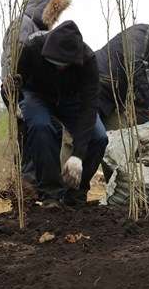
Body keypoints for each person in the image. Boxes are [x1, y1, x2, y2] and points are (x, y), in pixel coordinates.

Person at [16, 20, 108, 207]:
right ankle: (50, 194)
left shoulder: (88, 59)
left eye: (64, 65)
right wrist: (14, 103)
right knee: (41, 127)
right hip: (37, 95)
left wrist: (78, 155)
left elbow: (89, 106)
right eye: (54, 63)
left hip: (72, 99)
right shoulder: (32, 48)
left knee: (99, 138)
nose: (59, 68)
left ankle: (75, 192)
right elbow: (16, 82)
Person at [0, 0, 70, 184]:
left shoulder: (38, 30)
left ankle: (39, 185)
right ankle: (27, 188)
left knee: (46, 134)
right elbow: (11, 59)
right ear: (43, 6)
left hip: (32, 93)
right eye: (54, 10)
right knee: (29, 140)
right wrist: (14, 95)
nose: (56, 17)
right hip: (19, 90)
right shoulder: (23, 24)